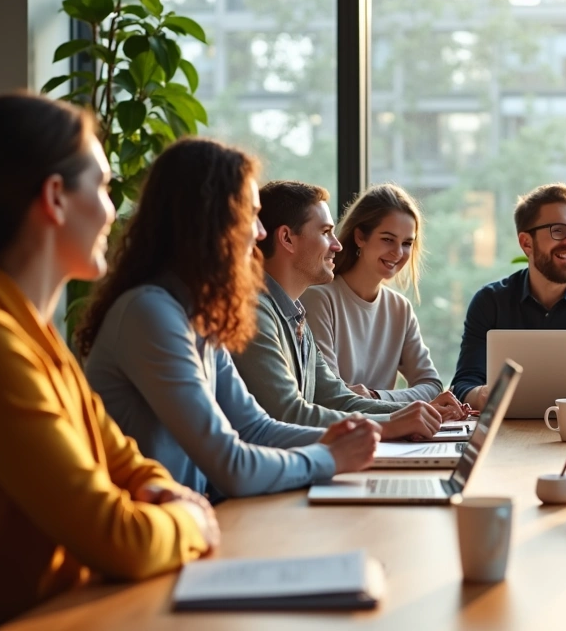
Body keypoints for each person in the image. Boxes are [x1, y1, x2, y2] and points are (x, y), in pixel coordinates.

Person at [0, 94, 215, 626]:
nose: (115, 211)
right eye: (106, 186)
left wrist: (160, 492)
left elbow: (126, 463)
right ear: (56, 198)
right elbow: (121, 539)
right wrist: (190, 522)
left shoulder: (30, 331)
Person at [77, 139, 380, 501]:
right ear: (211, 220)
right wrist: (328, 457)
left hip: (193, 523)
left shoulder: (200, 316)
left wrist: (343, 438)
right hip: (155, 536)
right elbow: (231, 464)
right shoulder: (150, 313)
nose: (261, 232)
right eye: (249, 215)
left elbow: (255, 428)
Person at [233, 180, 461, 441]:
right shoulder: (254, 313)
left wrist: (422, 413)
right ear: (286, 238)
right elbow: (290, 413)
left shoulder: (294, 314)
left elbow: (339, 399)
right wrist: (391, 425)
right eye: (325, 232)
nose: (337, 244)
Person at [450, 182, 566, 410]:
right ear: (526, 243)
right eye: (558, 230)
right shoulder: (489, 302)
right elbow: (463, 385)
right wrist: (482, 394)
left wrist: (546, 394)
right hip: (508, 439)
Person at [301, 183, 449, 404]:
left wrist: (376, 396)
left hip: (389, 434)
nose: (398, 253)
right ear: (360, 236)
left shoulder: (400, 308)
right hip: (344, 434)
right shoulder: (319, 299)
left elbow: (432, 385)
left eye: (407, 243)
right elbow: (330, 397)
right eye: (388, 239)